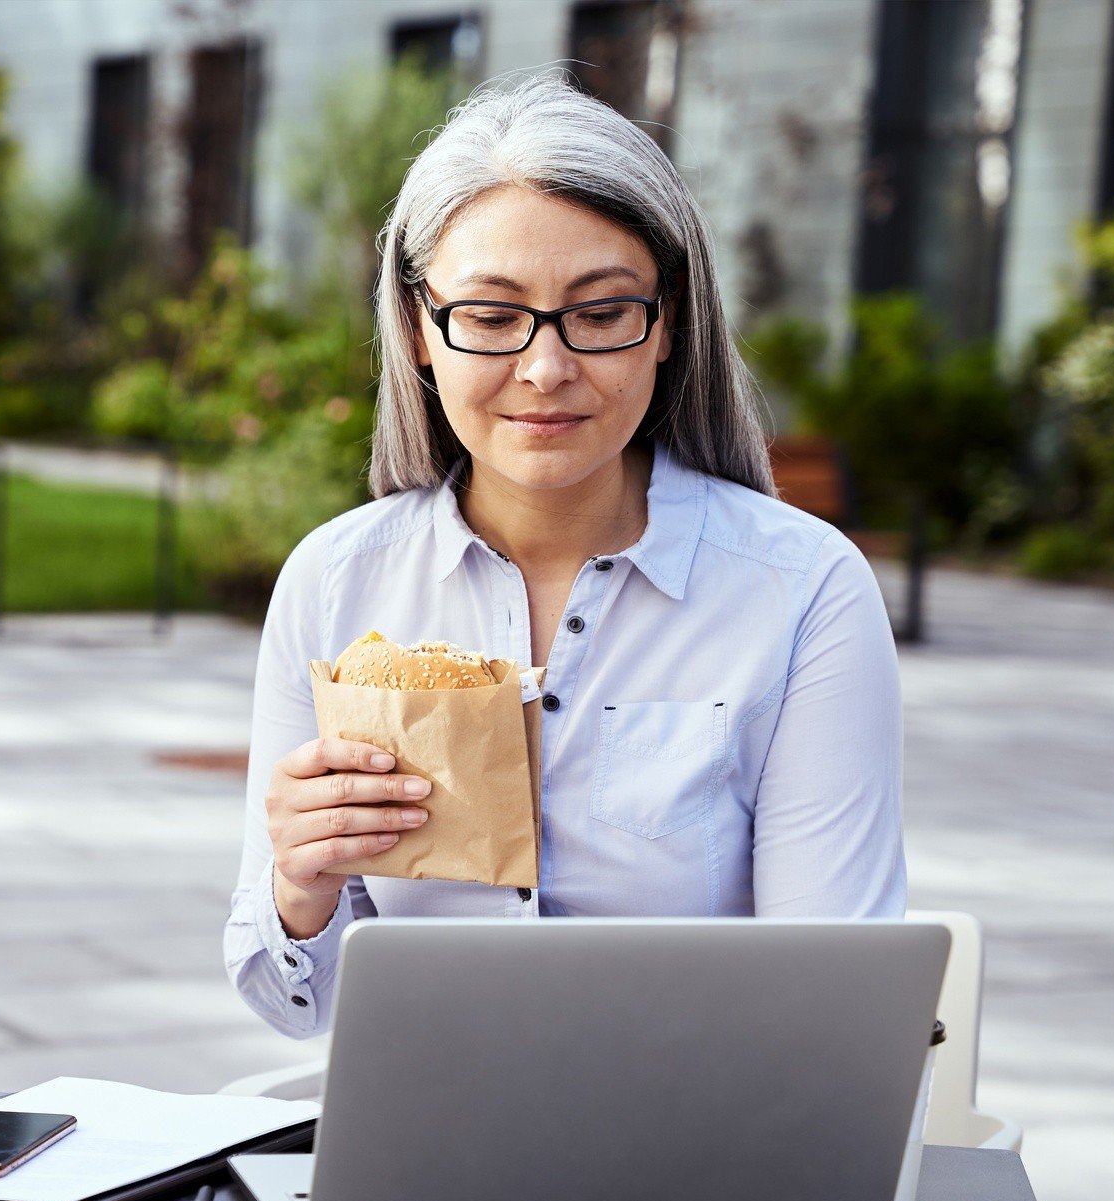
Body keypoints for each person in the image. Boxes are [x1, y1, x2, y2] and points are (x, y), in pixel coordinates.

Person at [225, 73, 905, 1041]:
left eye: (599, 312)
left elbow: (833, 991)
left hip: (700, 1151)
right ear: (420, 328)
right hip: (423, 1147)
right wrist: (302, 883)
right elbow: (292, 1003)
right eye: (493, 317)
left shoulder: (803, 592)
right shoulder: (337, 583)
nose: (546, 369)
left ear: (665, 321)